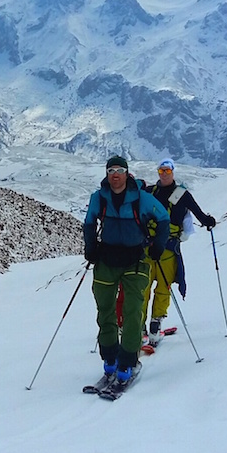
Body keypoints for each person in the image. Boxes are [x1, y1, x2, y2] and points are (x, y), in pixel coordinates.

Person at [83, 154, 170, 387]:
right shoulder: (99, 198)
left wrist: (158, 247)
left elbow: (163, 219)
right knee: (105, 312)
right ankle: (110, 360)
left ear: (126, 173)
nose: (115, 175)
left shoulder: (140, 198)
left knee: (132, 312)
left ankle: (126, 362)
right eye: (111, 171)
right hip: (106, 260)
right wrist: (90, 247)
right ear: (107, 174)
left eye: (119, 171)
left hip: (135, 261)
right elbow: (89, 223)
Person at [142, 157, 217, 345]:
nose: (164, 174)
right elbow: (199, 214)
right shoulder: (181, 194)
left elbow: (199, 214)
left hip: (147, 248)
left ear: (173, 171)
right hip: (167, 248)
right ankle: (154, 324)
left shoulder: (149, 192)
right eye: (162, 171)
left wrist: (207, 220)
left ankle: (141, 326)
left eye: (167, 171)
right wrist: (208, 222)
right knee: (161, 287)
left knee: (144, 287)